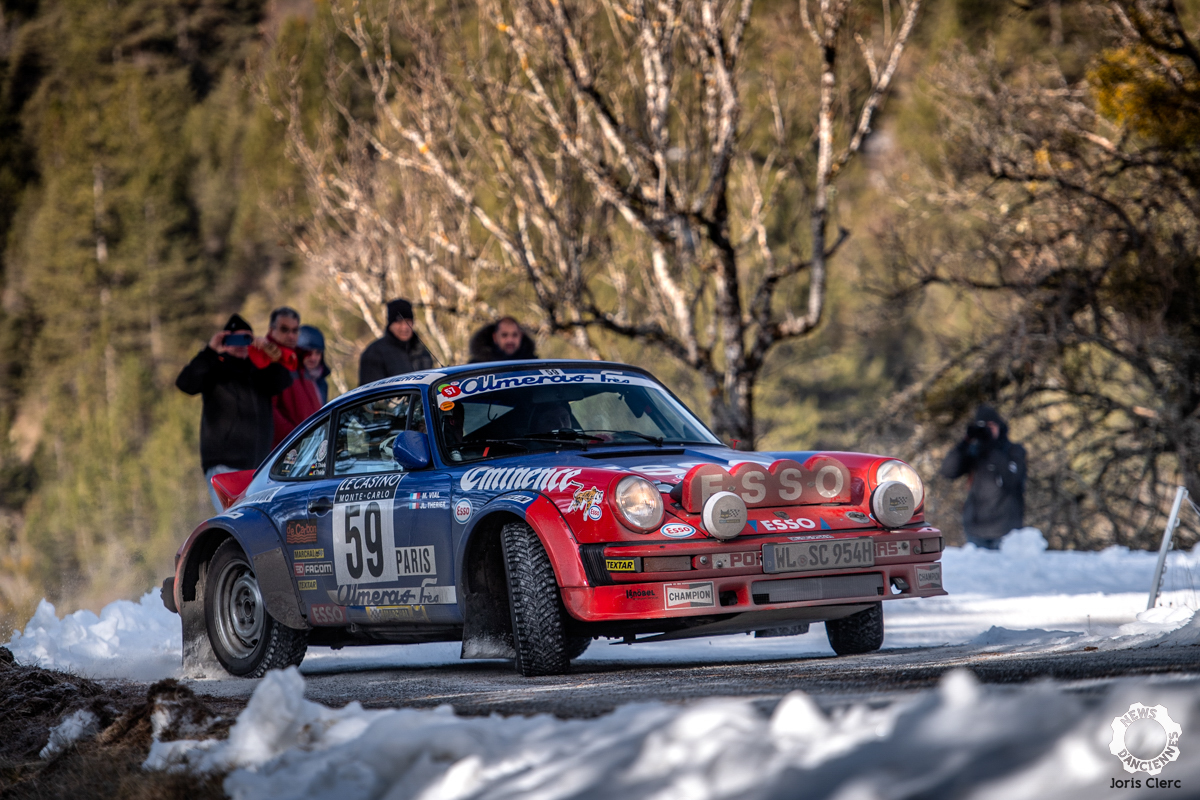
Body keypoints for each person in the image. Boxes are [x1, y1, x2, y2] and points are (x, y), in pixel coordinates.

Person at [176, 313, 293, 512]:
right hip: (225, 466)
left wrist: (267, 352)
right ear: (224, 340)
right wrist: (211, 350)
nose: (240, 345)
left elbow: (283, 381)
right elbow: (186, 383)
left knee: (257, 523)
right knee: (235, 519)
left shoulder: (258, 370)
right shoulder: (214, 367)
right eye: (234, 339)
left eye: (246, 339)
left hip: (259, 468)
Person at [939, 405, 1028, 549]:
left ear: (1000, 426)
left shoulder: (1014, 451)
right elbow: (947, 472)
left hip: (1006, 530)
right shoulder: (974, 452)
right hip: (975, 529)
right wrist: (965, 442)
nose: (986, 430)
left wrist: (992, 447)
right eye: (982, 426)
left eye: (990, 426)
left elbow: (1013, 480)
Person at [267, 307, 322, 447]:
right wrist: (297, 437)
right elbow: (268, 411)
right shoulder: (267, 360)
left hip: (308, 448)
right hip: (286, 452)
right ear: (271, 330)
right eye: (284, 330)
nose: (291, 336)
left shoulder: (298, 361)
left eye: (295, 330)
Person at [358, 298, 434, 386]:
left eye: (408, 321)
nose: (404, 327)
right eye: (399, 322)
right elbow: (371, 394)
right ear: (390, 324)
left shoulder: (422, 351)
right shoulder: (374, 353)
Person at [468, 316, 537, 363]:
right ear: (495, 337)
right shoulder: (476, 368)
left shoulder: (534, 366)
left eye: (514, 335)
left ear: (521, 336)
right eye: (504, 335)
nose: (510, 340)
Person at [297, 324, 331, 405]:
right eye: (308, 353)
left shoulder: (322, 383)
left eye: (318, 353)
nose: (313, 358)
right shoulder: (288, 380)